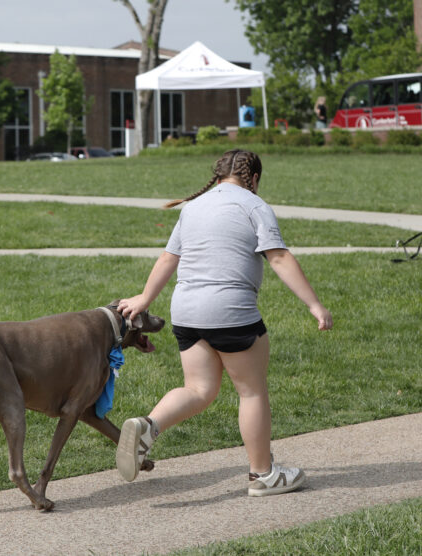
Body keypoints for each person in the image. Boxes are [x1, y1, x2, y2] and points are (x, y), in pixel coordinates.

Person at [115, 149, 333, 497]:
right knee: (251, 390)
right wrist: (315, 305)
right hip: (230, 311)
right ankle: (263, 474)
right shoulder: (253, 205)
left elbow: (170, 257)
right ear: (255, 179)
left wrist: (144, 298)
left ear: (216, 176)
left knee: (198, 389)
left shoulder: (193, 207)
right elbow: (278, 256)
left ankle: (148, 425)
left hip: (186, 312)